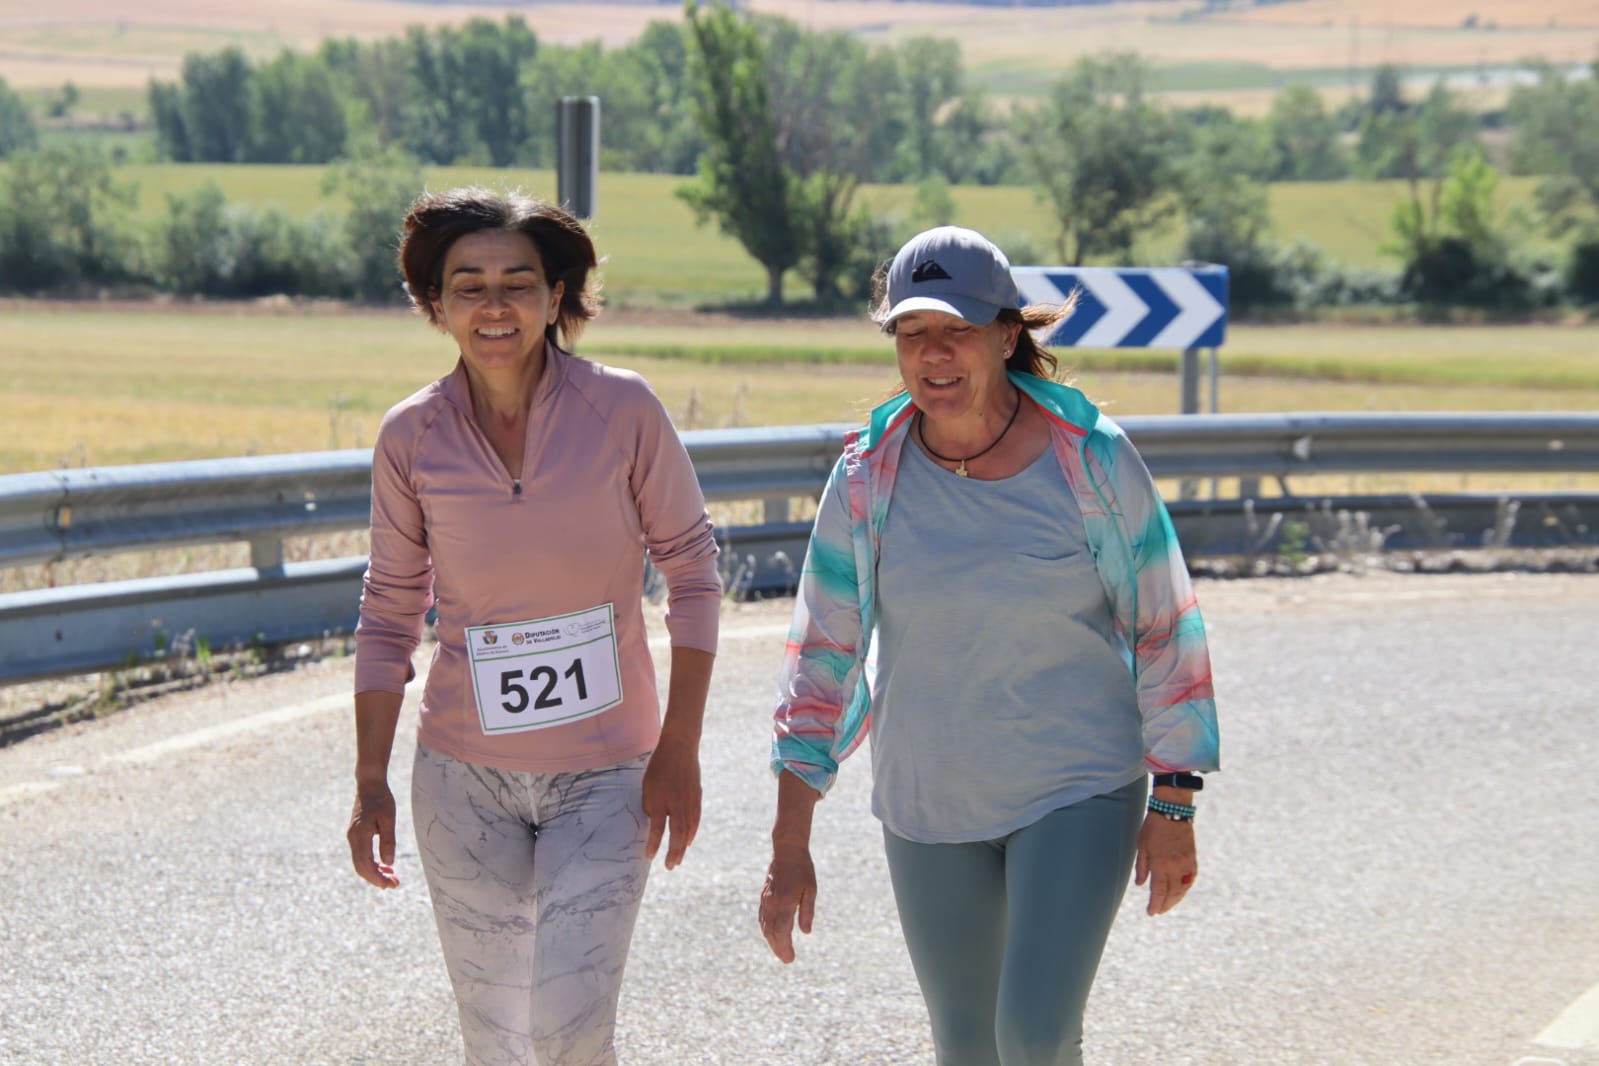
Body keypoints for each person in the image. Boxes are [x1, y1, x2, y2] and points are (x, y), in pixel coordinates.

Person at [758, 225, 1220, 1066]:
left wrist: (1174, 800)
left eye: (956, 331)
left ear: (1007, 335)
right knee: (966, 1049)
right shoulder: (866, 476)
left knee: (1034, 1038)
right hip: (928, 801)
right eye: (911, 333)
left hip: (1074, 786)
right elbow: (821, 656)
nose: (933, 354)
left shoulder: (1091, 461)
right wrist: (790, 842)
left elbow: (1164, 626)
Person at [345, 187, 721, 1066]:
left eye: (518, 282)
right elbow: (388, 610)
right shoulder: (411, 436)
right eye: (467, 285)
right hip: (461, 780)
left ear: (557, 297)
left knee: (569, 1030)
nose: (494, 305)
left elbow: (694, 575)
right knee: (497, 1040)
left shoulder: (622, 411)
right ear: (436, 308)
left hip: (606, 776)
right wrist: (370, 778)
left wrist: (679, 747)